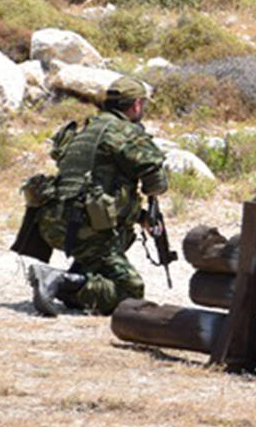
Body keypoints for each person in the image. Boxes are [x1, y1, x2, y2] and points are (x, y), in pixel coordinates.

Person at [22, 75, 169, 316]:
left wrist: (139, 215)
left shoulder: (86, 129)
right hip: (88, 229)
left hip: (53, 224)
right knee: (130, 292)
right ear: (136, 105)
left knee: (116, 242)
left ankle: (74, 278)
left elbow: (88, 182)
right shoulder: (126, 133)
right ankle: (60, 279)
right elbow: (156, 182)